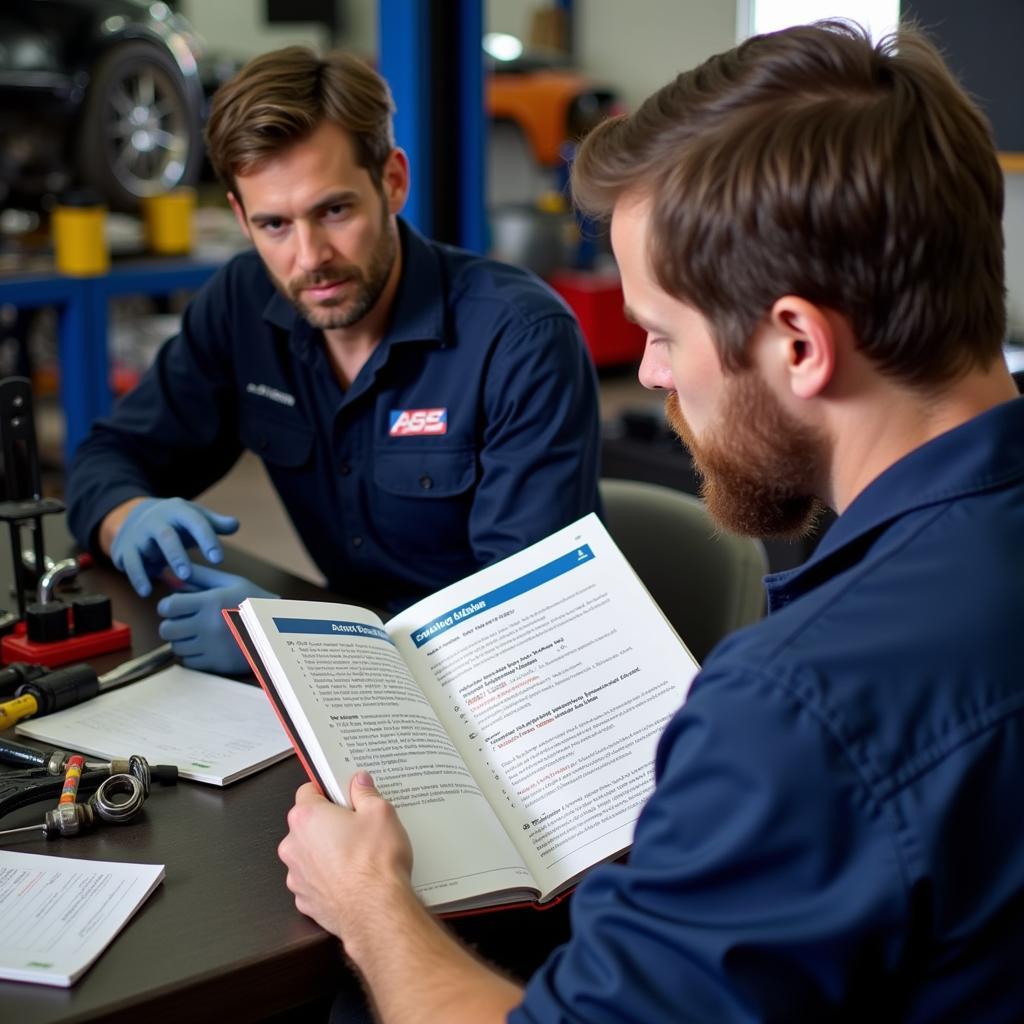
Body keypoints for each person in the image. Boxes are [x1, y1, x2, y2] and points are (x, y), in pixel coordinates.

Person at [276, 20, 1024, 1023]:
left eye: (663, 334)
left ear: (798, 342)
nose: (656, 373)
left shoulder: (794, 710)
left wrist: (368, 901)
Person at [65, 47, 602, 675]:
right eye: (274, 224)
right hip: (357, 674)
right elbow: (105, 458)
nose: (309, 257)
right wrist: (127, 515)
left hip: (498, 702)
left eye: (334, 210)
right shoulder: (243, 302)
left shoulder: (519, 339)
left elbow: (529, 623)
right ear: (239, 216)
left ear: (393, 181)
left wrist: (305, 649)